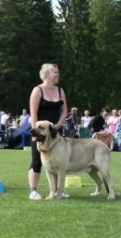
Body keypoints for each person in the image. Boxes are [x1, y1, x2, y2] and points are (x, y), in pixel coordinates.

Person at [28, 63, 68, 200]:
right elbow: (33, 113)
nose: (58, 74)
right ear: (46, 74)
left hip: (55, 131)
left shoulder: (60, 90)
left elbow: (64, 111)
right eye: (55, 72)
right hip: (40, 131)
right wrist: (35, 132)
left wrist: (58, 125)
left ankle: (59, 191)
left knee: (58, 161)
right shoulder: (37, 90)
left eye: (58, 72)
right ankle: (33, 190)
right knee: (36, 161)